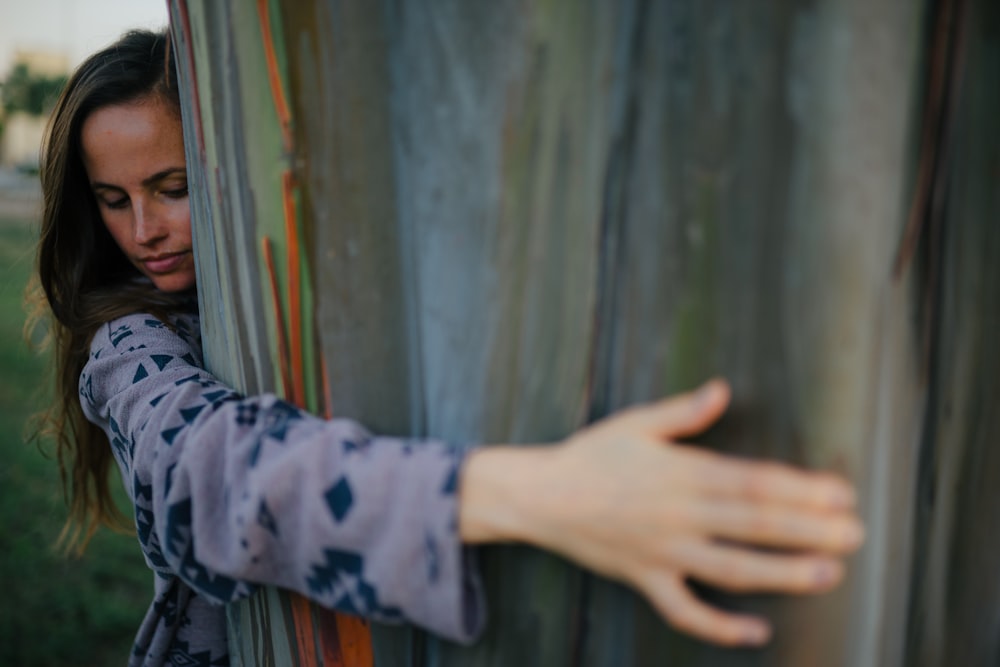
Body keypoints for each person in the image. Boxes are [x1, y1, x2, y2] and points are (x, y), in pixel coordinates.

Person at [30, 29, 864, 667]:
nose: (144, 231)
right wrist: (549, 495)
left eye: (172, 188)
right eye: (113, 199)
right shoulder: (126, 344)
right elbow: (207, 475)